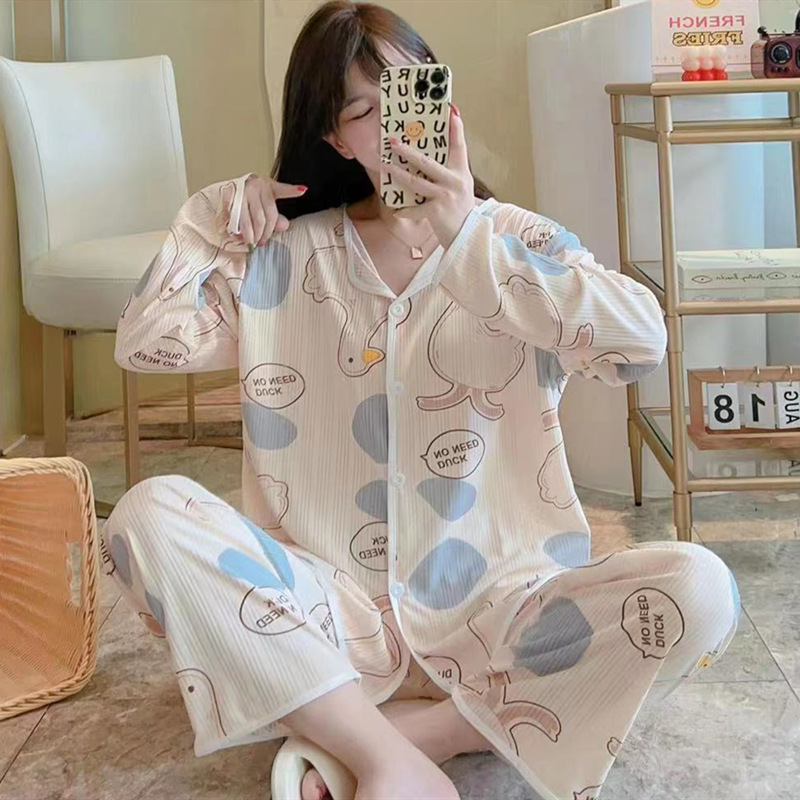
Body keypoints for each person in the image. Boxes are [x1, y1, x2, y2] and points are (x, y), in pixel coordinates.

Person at [102, 2, 741, 799]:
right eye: (365, 110)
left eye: (412, 91)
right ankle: (402, 749)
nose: (397, 124)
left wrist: (466, 235)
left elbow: (640, 344)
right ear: (336, 138)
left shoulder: (514, 242)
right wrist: (209, 221)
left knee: (698, 591)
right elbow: (144, 342)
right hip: (331, 615)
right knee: (145, 515)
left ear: (446, 100)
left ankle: (396, 742)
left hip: (502, 615)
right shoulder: (282, 259)